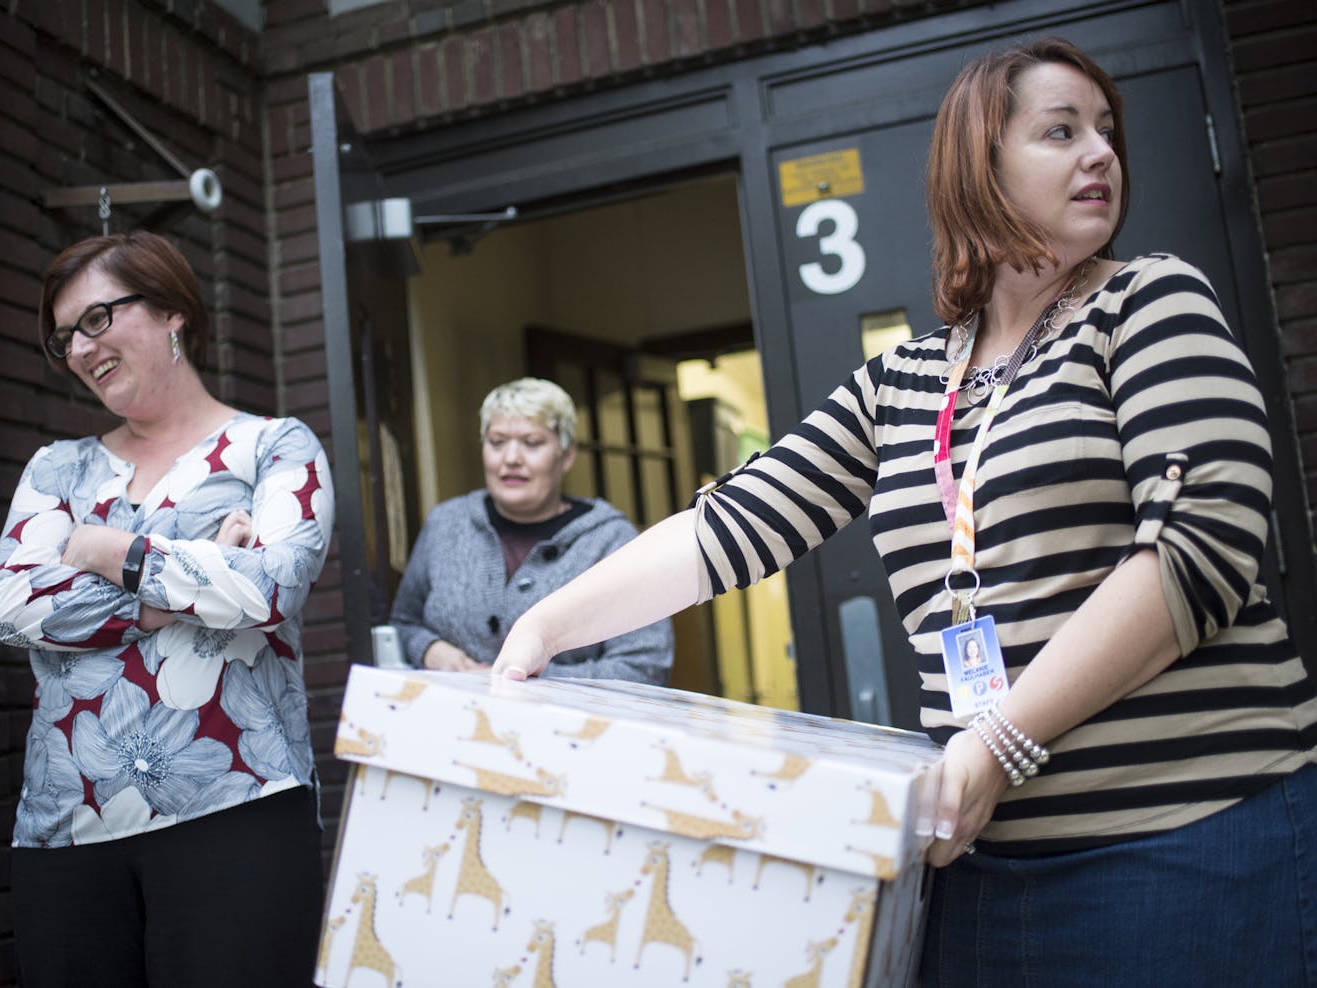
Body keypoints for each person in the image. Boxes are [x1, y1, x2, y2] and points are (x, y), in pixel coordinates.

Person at [493, 38, 1316, 984]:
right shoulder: (907, 381)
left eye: (1106, 132)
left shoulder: (1148, 302)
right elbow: (737, 523)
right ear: (981, 166)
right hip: (977, 871)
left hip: (1186, 843)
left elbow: (1198, 546)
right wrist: (545, 627)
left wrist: (999, 743)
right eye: (1061, 130)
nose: (1101, 153)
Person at [0, 231, 333, 987]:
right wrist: (189, 582)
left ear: (173, 311)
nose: (78, 347)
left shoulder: (275, 448)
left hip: (239, 809)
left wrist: (108, 549)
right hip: (67, 825)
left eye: (97, 318)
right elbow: (7, 604)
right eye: (65, 335)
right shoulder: (58, 467)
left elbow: (269, 590)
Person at [391, 376, 672, 683]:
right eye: (497, 442)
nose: (511, 459)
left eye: (531, 443)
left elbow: (646, 664)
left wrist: (528, 676)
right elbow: (404, 622)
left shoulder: (610, 541)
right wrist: (429, 650)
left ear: (566, 456)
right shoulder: (445, 525)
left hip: (568, 728)